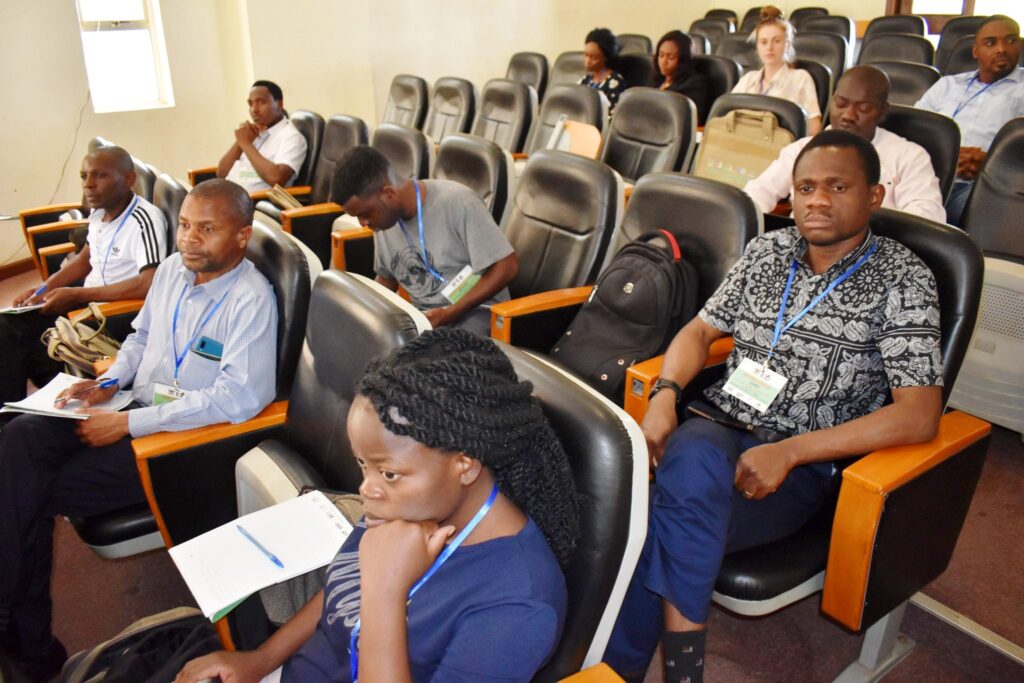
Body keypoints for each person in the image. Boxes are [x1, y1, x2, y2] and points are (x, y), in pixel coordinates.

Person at [602, 130, 944, 683]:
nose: (818, 201)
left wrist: (789, 452)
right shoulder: (767, 251)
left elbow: (919, 412)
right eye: (806, 187)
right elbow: (697, 331)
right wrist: (664, 396)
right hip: (718, 425)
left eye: (838, 186)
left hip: (805, 464)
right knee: (690, 458)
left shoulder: (902, 278)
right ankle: (681, 673)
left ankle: (619, 672)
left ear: (875, 196)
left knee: (658, 524)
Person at [175, 328, 579, 683]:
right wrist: (260, 660)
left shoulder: (518, 604)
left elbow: (371, 590)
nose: (365, 490)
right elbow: (341, 595)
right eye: (362, 464)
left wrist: (385, 591)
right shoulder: (411, 504)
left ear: (465, 465)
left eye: (387, 473)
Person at [0, 180, 278, 682]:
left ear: (241, 236)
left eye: (207, 230)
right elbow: (140, 337)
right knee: (19, 438)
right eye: (186, 226)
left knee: (26, 491)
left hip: (176, 446)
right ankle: (23, 636)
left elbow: (237, 400)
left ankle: (28, 642)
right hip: (130, 405)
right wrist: (107, 382)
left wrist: (128, 423)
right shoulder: (173, 270)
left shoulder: (251, 300)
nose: (190, 240)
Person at [0, 146, 167, 406]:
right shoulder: (99, 213)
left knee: (12, 333)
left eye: (100, 176)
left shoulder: (144, 220)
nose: (88, 184)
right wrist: (41, 291)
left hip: (112, 314)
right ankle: (24, 404)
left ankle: (19, 410)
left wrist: (79, 294)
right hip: (87, 302)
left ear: (129, 179)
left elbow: (149, 283)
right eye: (84, 176)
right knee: (10, 326)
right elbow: (85, 259)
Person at [332, 146, 518, 336]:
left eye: (364, 214)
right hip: (427, 319)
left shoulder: (459, 202)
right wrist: (362, 317)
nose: (363, 223)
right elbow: (386, 279)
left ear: (388, 193)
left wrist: (448, 313)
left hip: (477, 311)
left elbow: (507, 266)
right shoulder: (384, 222)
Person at [744, 65, 946, 222]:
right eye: (841, 104)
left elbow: (927, 215)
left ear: (883, 111)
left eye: (863, 108)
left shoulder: (909, 156)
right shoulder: (800, 150)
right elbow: (758, 192)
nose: (848, 115)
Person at [915, 15, 1024, 226]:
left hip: (984, 185)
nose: (1001, 49)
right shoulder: (946, 85)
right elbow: (915, 130)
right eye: (990, 43)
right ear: (976, 51)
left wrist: (991, 163)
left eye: (1010, 40)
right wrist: (948, 159)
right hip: (929, 174)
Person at [732, 6, 822, 135]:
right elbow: (727, 114)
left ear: (788, 44)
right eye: (763, 42)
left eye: (777, 41)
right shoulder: (748, 79)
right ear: (757, 47)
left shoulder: (801, 78)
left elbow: (814, 127)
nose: (769, 47)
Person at [217, 80, 308, 192]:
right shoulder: (253, 132)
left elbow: (277, 180)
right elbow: (221, 173)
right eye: (250, 104)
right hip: (227, 193)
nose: (254, 110)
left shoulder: (291, 137)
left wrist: (245, 144)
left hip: (250, 203)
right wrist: (239, 142)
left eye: (261, 102)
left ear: (279, 104)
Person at [651, 30, 711, 124]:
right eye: (661, 55)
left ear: (683, 60)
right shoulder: (658, 80)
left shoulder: (695, 84)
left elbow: (692, 120)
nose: (663, 62)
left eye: (670, 57)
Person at [579, 28, 627, 113]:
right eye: (586, 55)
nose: (587, 61)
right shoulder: (585, 80)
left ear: (606, 57)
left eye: (594, 57)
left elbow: (611, 117)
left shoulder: (614, 82)